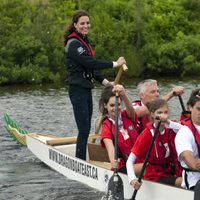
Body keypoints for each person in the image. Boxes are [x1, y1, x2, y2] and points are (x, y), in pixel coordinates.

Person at [64, 10, 126, 160]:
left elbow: (91, 69)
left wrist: (106, 83)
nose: (86, 26)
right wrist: (115, 64)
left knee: (86, 128)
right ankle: (80, 161)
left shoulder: (84, 41)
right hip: (77, 90)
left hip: (85, 89)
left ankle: (84, 157)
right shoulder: (73, 44)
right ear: (75, 25)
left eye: (87, 23)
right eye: (82, 23)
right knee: (84, 129)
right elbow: (90, 62)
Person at [127, 98, 183, 190]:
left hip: (171, 171)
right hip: (155, 175)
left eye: (165, 112)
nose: (163, 116)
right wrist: (132, 180)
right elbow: (130, 161)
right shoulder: (146, 134)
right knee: (184, 182)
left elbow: (186, 130)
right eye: (159, 113)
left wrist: (168, 122)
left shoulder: (172, 128)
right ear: (152, 114)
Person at [99, 84, 142, 174]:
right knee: (149, 167)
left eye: (118, 104)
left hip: (139, 159)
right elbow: (111, 150)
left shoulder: (127, 115)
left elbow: (130, 109)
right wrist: (113, 162)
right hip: (123, 166)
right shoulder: (106, 128)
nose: (116, 108)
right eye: (112, 105)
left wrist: (123, 94)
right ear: (105, 105)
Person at [175, 88, 200, 190]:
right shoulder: (184, 133)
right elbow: (190, 161)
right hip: (194, 182)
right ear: (190, 107)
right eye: (199, 109)